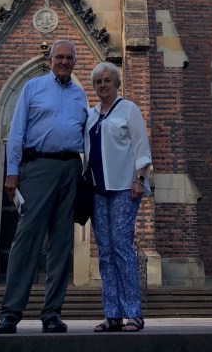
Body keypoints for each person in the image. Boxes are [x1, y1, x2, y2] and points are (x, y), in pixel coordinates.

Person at [0, 39, 87, 334]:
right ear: (50, 60)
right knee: (27, 240)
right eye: (59, 57)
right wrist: (12, 172)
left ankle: (52, 313)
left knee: (61, 243)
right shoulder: (32, 88)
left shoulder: (80, 95)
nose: (64, 62)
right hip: (38, 167)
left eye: (69, 58)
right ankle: (11, 312)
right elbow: (17, 131)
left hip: (70, 168)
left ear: (74, 62)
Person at [84, 61, 152, 333]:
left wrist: (139, 179)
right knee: (105, 251)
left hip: (125, 188)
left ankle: (134, 313)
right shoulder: (91, 115)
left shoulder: (128, 109)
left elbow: (141, 147)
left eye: (107, 80)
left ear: (116, 83)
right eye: (98, 82)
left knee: (122, 247)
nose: (102, 85)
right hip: (97, 190)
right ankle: (112, 314)